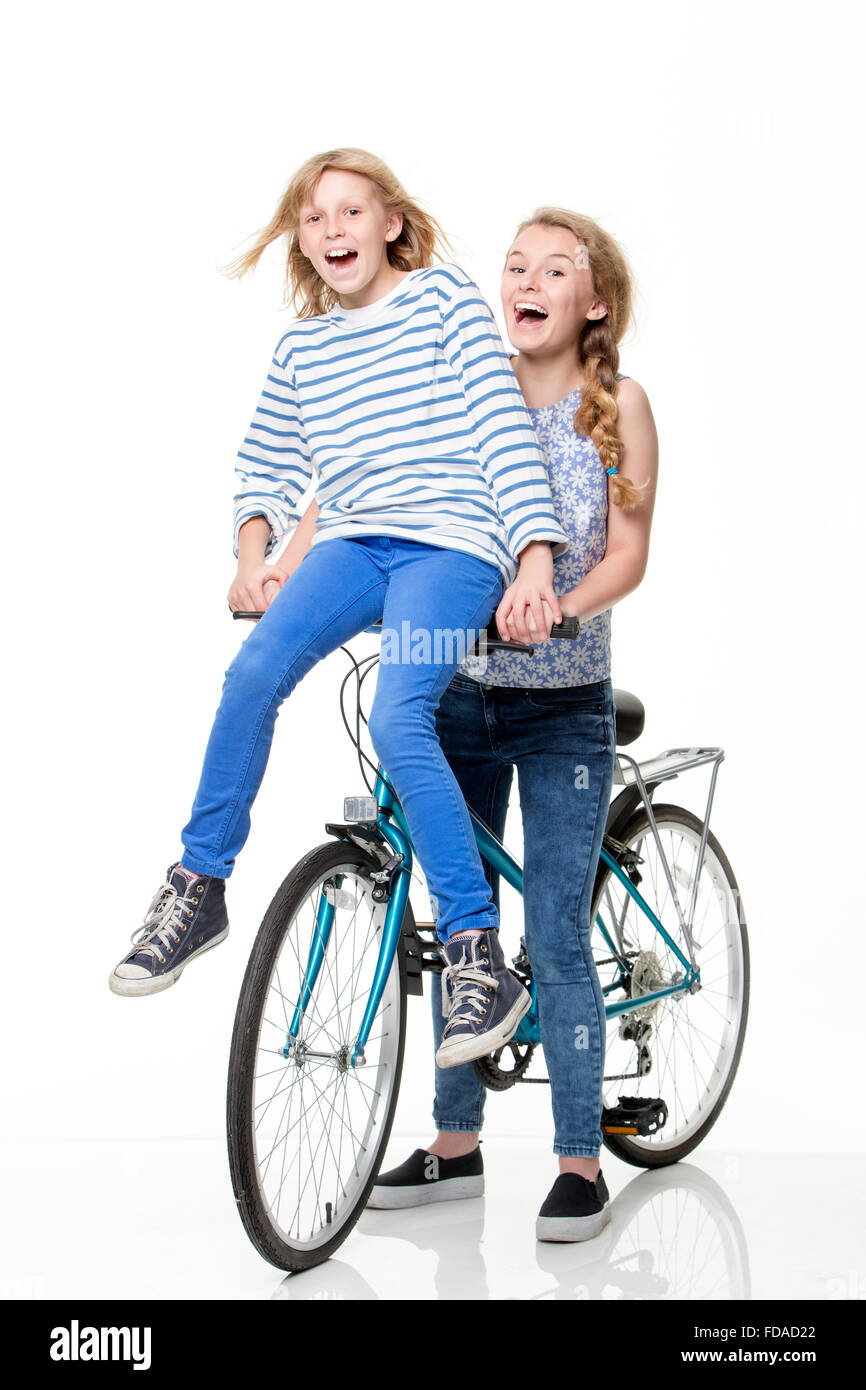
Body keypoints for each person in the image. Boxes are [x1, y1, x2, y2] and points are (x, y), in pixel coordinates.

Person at [108, 150, 570, 1079]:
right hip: (354, 547)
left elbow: (500, 430)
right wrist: (253, 561)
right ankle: (199, 887)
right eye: (314, 219)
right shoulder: (303, 349)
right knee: (250, 675)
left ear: (390, 223)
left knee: (399, 718)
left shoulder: (444, 305)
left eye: (350, 212)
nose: (332, 232)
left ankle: (477, 954)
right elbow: (267, 461)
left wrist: (533, 561)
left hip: (456, 550)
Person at [367, 208, 659, 1241]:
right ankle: (455, 1146)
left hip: (559, 707)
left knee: (555, 936)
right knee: (463, 922)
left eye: (554, 268)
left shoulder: (614, 408)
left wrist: (557, 607)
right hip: (456, 693)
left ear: (593, 303)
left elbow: (624, 551)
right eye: (513, 264)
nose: (523, 279)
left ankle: (579, 1159)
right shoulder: (465, 395)